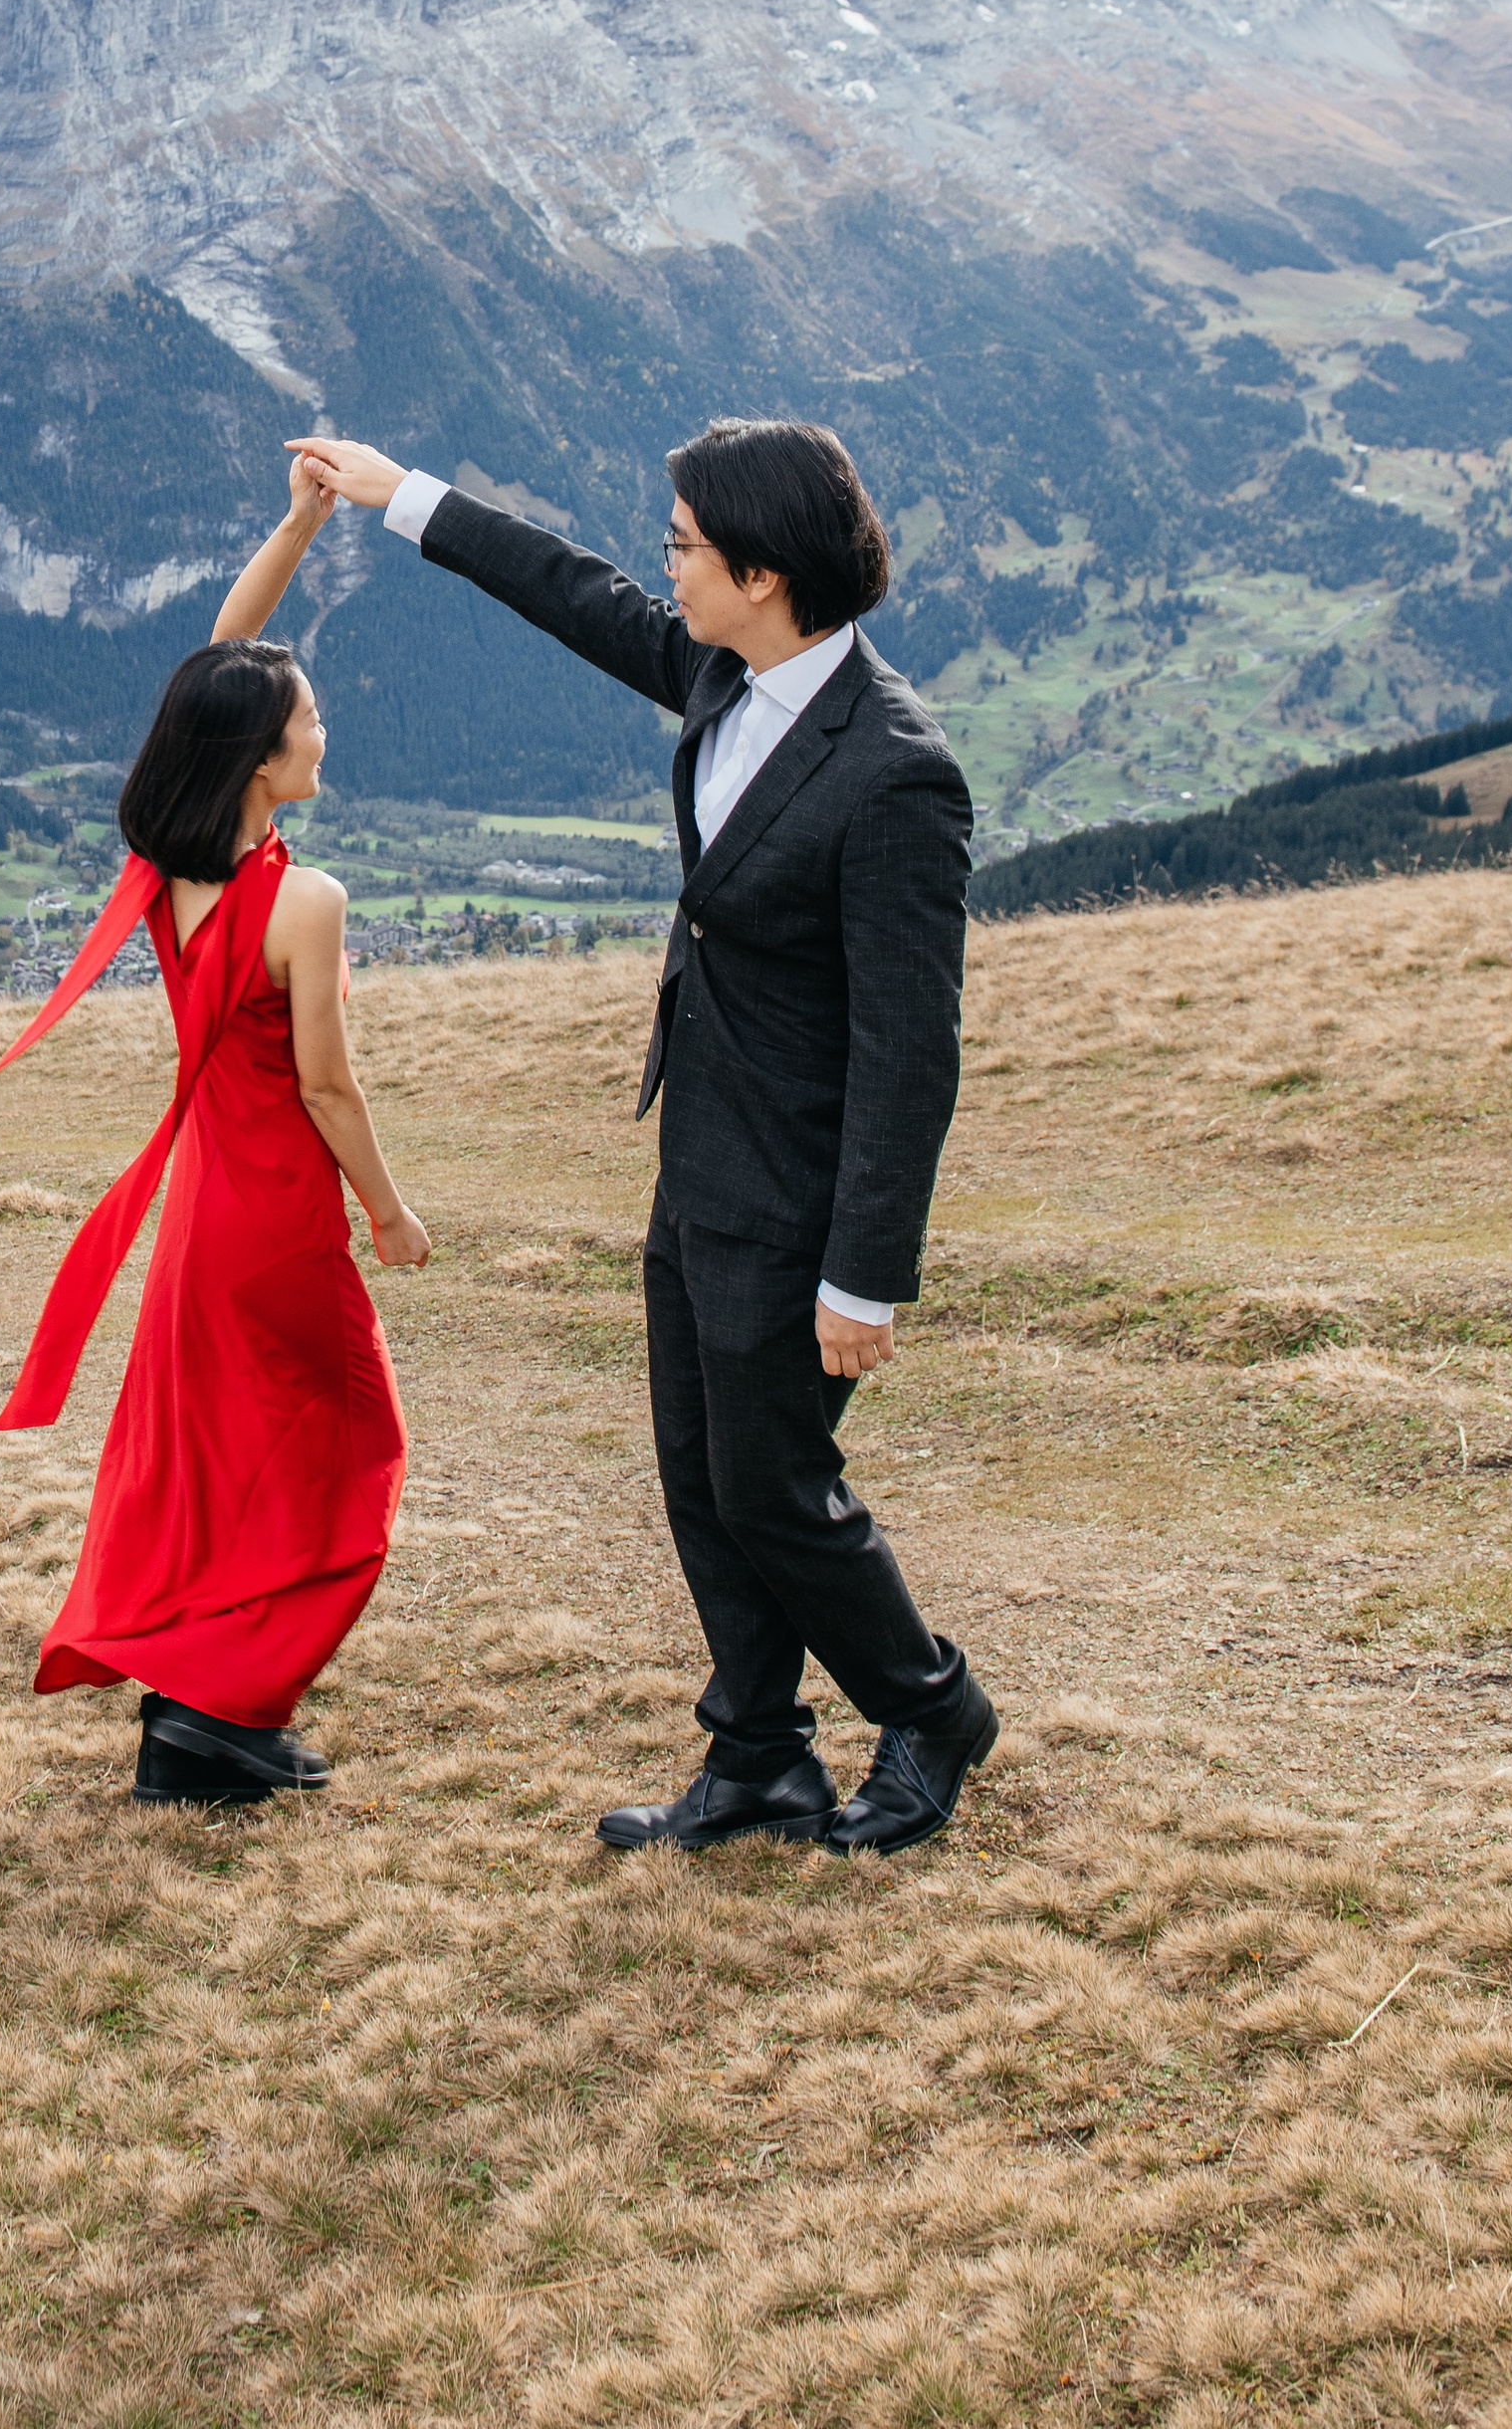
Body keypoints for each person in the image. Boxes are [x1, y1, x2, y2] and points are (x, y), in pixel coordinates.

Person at [291, 417, 994, 1858]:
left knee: (775, 1489)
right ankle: (757, 1759)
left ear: (763, 571)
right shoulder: (724, 673)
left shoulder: (893, 771)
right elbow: (569, 591)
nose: (662, 567)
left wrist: (866, 1275)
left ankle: (932, 1706)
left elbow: (911, 1055)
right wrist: (398, 495)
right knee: (700, 1473)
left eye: (683, 547)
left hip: (798, 1196)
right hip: (701, 1162)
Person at [8, 455, 432, 1810]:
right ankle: (224, 1706)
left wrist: (303, 522)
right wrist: (387, 1209)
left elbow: (217, 661)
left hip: (201, 1218)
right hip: (279, 1220)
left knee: (226, 1464)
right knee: (354, 1455)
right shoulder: (305, 896)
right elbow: (329, 1090)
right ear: (263, 759)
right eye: (307, 718)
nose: (322, 728)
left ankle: (208, 1718)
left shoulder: (168, 872)